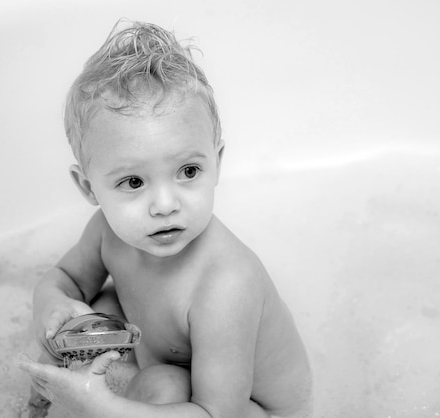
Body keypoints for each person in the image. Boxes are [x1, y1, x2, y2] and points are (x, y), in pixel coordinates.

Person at [17, 19, 313, 418]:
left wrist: (102, 407)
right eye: (134, 181)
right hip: (180, 373)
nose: (165, 204)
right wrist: (51, 309)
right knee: (82, 318)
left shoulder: (225, 282)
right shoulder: (108, 233)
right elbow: (63, 280)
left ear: (217, 163)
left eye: (189, 172)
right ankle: (39, 407)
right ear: (89, 189)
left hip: (250, 410)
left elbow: (216, 413)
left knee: (160, 385)